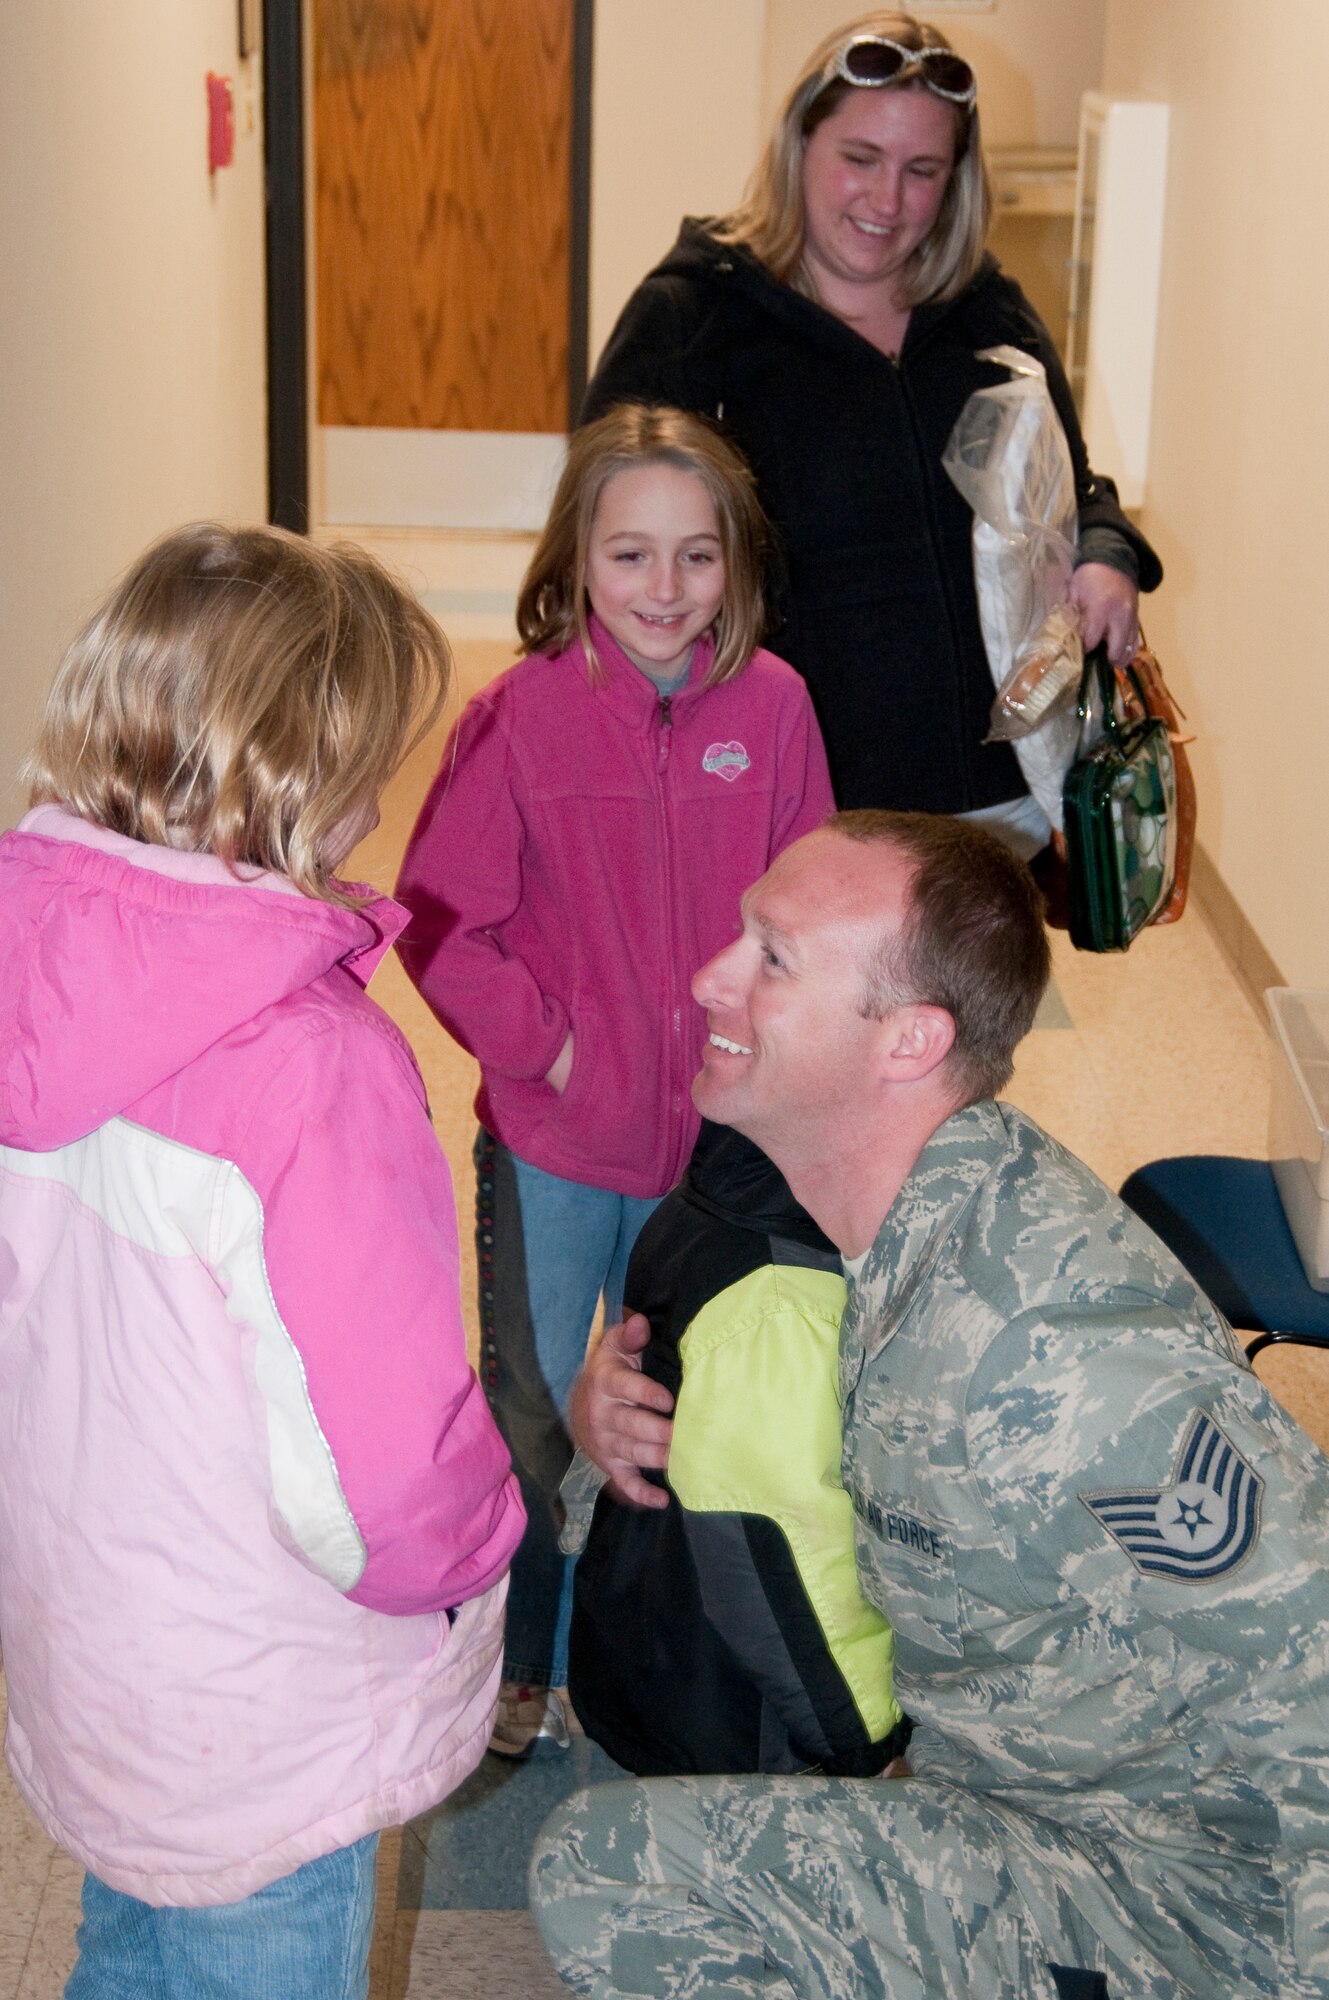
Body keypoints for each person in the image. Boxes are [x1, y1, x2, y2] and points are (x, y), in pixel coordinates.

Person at [533, 812, 1329, 2000]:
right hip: (1003, 1789)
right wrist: (610, 1430)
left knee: (609, 1871)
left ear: (909, 1040)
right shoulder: (881, 1220)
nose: (711, 974)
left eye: (773, 956)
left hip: (1190, 1896)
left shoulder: (1056, 1358)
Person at [0, 524, 525, 2000]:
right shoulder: (308, 1068)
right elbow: (381, 1470)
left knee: (134, 1935)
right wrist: (478, 1549)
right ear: (302, 773)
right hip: (256, 1692)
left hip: (89, 1638)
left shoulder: (23, 966)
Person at [395, 404, 835, 1758]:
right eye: (630, 555)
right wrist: (550, 1042)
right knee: (533, 1409)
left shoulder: (773, 708)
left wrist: (770, 1063)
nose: (664, 591)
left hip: (708, 1148)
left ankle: (633, 1651)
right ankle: (520, 1650)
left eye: (695, 558)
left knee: (677, 1403)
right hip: (552, 1137)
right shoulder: (518, 717)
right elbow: (435, 918)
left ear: (735, 563)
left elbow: (812, 914)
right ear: (574, 557)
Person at [581, 12, 1163, 860]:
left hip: (1003, 800)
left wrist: (1106, 553)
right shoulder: (694, 318)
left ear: (955, 181)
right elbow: (598, 550)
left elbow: (1074, 491)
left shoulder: (987, 315)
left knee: (980, 996)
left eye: (921, 171)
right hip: (797, 803)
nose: (886, 202)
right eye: (859, 159)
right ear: (800, 146)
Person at [566, 1119, 910, 1779]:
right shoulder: (781, 1294)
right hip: (764, 1733)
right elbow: (789, 1574)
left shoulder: (715, 1196)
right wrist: (874, 1749)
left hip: (673, 1664)